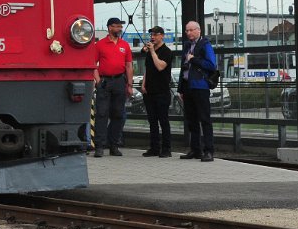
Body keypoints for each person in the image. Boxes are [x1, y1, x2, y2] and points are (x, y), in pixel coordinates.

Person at [177, 20, 217, 162]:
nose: (188, 33)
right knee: (191, 120)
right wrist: (180, 89)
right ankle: (195, 149)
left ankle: (209, 151)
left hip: (200, 86)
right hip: (188, 87)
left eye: (191, 30)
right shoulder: (187, 46)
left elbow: (211, 65)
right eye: (187, 31)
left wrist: (194, 59)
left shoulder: (205, 45)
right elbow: (183, 68)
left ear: (198, 30)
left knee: (205, 119)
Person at [93, 17, 133, 157]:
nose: (119, 29)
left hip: (119, 81)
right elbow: (93, 64)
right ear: (110, 28)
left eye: (120, 26)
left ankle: (114, 145)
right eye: (116, 26)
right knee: (102, 114)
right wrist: (98, 81)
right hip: (105, 82)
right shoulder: (100, 45)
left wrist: (129, 84)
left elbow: (128, 65)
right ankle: (99, 146)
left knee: (118, 114)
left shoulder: (125, 45)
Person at [140, 26, 175, 158]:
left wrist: (153, 52)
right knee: (152, 121)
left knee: (163, 120)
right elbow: (147, 69)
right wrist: (143, 84)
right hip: (149, 91)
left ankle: (166, 148)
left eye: (155, 34)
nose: (153, 37)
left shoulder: (167, 52)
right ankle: (154, 147)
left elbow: (160, 66)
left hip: (162, 91)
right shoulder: (149, 51)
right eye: (151, 35)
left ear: (162, 36)